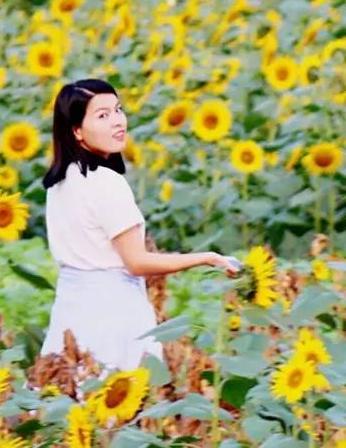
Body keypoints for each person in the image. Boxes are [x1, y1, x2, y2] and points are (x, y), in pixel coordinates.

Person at [39, 78, 239, 372]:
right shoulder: (106, 182)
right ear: (77, 131)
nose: (118, 122)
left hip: (70, 311)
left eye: (118, 110)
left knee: (65, 395)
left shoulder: (59, 183)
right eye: (102, 116)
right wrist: (207, 258)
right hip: (113, 313)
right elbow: (136, 262)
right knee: (120, 400)